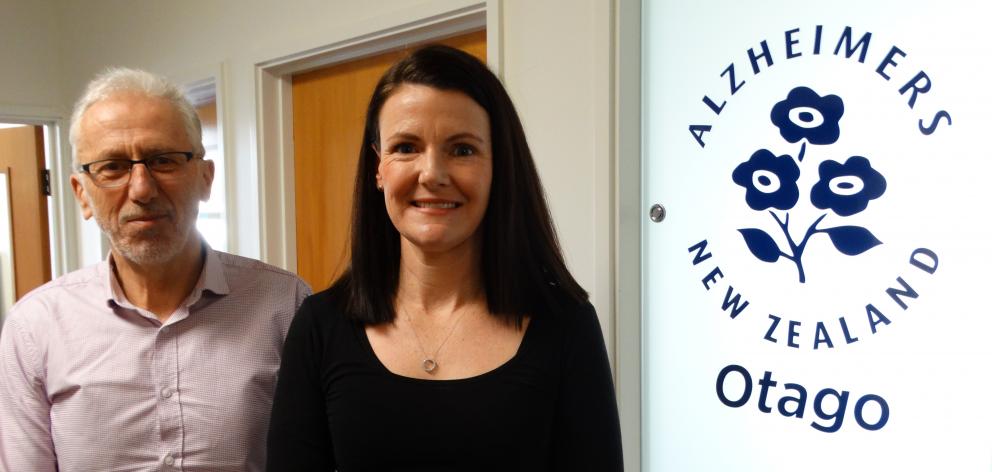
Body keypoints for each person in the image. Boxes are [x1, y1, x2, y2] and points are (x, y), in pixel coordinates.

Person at [266, 45, 623, 471]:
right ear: (379, 168)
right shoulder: (319, 326)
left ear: (498, 165)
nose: (432, 174)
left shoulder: (565, 324)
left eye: (462, 150)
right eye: (406, 147)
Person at [0, 68, 311, 471]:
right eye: (113, 166)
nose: (142, 189)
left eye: (163, 160)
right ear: (82, 194)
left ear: (204, 177)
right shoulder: (35, 328)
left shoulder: (286, 305)